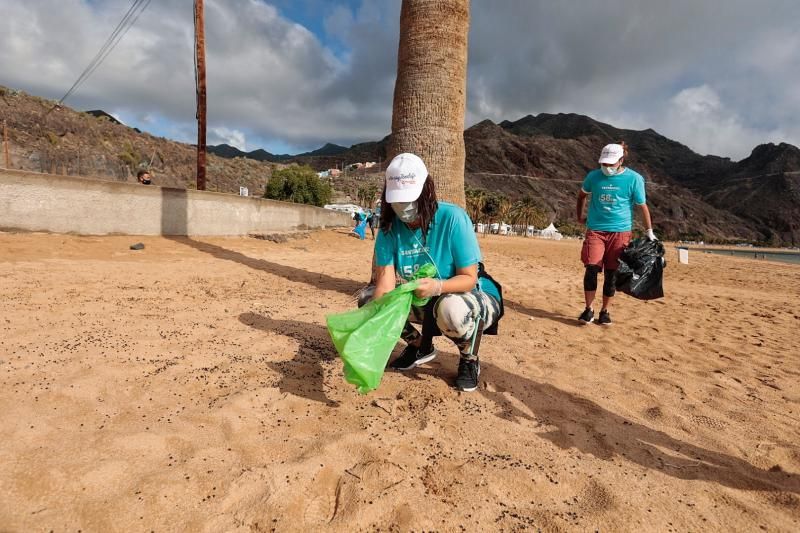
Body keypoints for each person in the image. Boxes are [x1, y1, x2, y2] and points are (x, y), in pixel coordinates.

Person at [358, 153, 504, 392]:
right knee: (369, 301)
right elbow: (384, 287)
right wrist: (371, 334)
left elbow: (469, 278)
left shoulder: (453, 218)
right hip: (422, 300)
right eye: (397, 201)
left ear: (426, 192)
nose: (404, 208)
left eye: (410, 200)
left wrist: (437, 286)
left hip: (468, 296)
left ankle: (469, 359)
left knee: (450, 310)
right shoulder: (388, 229)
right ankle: (419, 346)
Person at [576, 142, 656, 325]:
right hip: (595, 230)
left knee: (612, 273)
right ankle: (588, 309)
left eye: (611, 164)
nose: (606, 168)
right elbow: (581, 196)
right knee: (591, 268)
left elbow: (642, 206)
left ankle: (605, 311)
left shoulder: (634, 179)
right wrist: (579, 216)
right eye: (604, 164)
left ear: (621, 160)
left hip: (620, 233)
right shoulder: (593, 177)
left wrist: (649, 231)